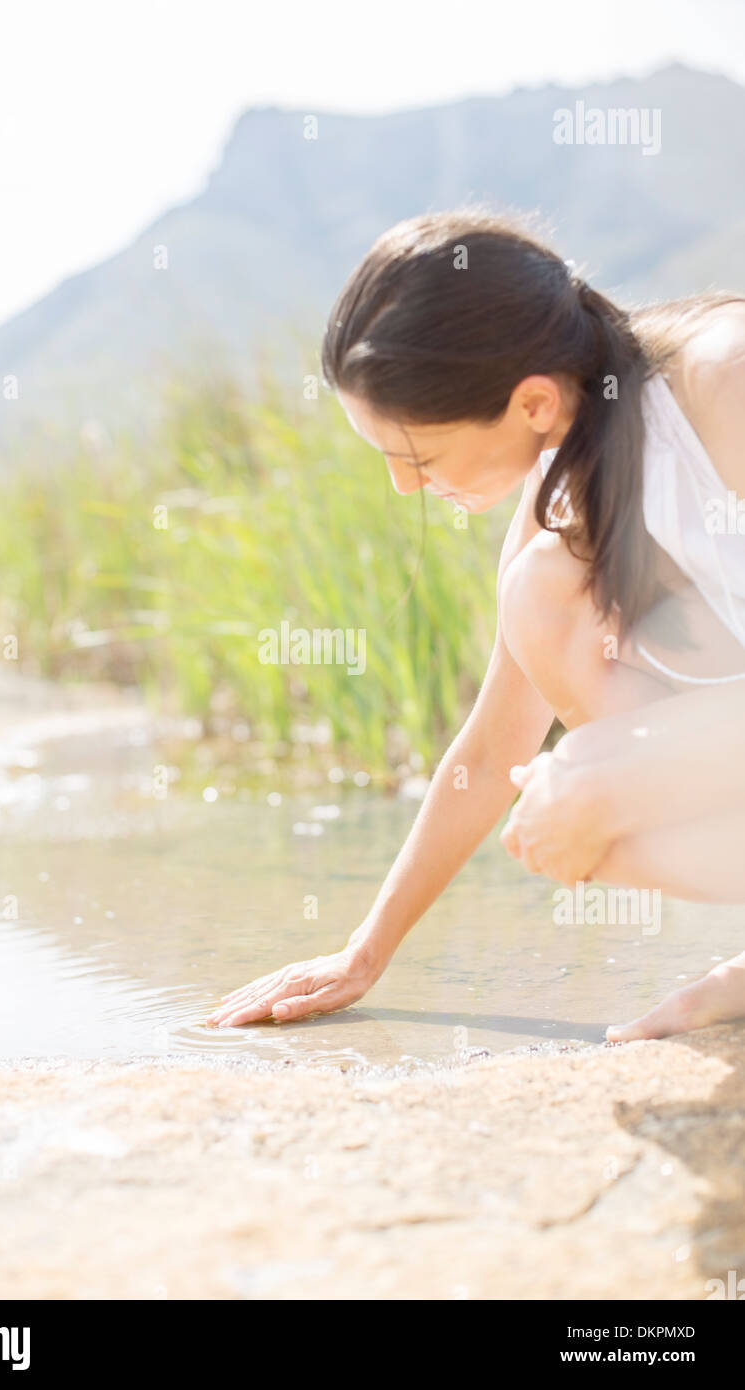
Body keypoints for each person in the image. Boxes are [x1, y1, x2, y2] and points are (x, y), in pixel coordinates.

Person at [207, 210, 745, 1043]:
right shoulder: (563, 490)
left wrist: (617, 770)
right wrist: (364, 953)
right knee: (577, 802)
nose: (402, 488)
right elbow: (496, 750)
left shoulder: (724, 379)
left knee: (590, 788)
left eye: (416, 457)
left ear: (532, 400)